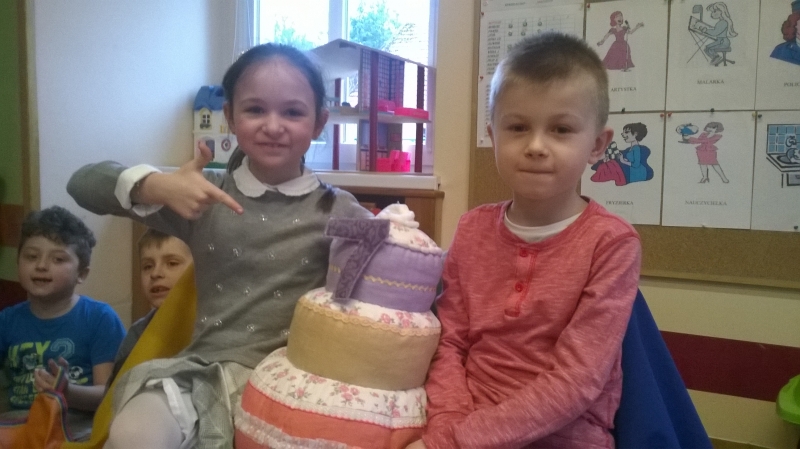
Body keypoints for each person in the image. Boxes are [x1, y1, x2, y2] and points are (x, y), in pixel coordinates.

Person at [66, 42, 372, 449]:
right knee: (132, 433)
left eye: (293, 112)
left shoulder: (338, 208)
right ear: (229, 117)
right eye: (255, 109)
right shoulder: (201, 193)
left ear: (319, 123)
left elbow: (406, 273)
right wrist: (157, 185)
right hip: (204, 374)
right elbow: (81, 184)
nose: (273, 126)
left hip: (294, 385)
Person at [408, 32, 641, 449]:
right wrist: (447, 430)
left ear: (597, 145)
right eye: (517, 127)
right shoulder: (472, 228)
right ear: (493, 135)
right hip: (460, 420)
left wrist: (456, 442)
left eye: (561, 129)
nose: (535, 146)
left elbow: (577, 381)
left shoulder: (612, 244)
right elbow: (450, 342)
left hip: (565, 437)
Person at [0, 206, 126, 437]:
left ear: (82, 274)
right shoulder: (6, 321)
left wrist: (68, 391)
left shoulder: (100, 319)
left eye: (58, 259)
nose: (41, 265)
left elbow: (110, 395)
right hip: (18, 425)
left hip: (75, 426)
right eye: (31, 256)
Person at [107, 229, 194, 386]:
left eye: (172, 263)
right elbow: (115, 391)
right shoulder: (137, 333)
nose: (155, 273)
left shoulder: (212, 328)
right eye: (147, 266)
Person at [700, 2, 738, 66]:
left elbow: (715, 32)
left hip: (723, 42)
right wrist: (707, 30)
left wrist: (706, 30)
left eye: (714, 11)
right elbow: (716, 31)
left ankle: (716, 57)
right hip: (720, 41)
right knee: (707, 48)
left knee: (708, 48)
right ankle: (716, 57)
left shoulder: (723, 22)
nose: (712, 14)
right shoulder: (721, 22)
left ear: (721, 12)